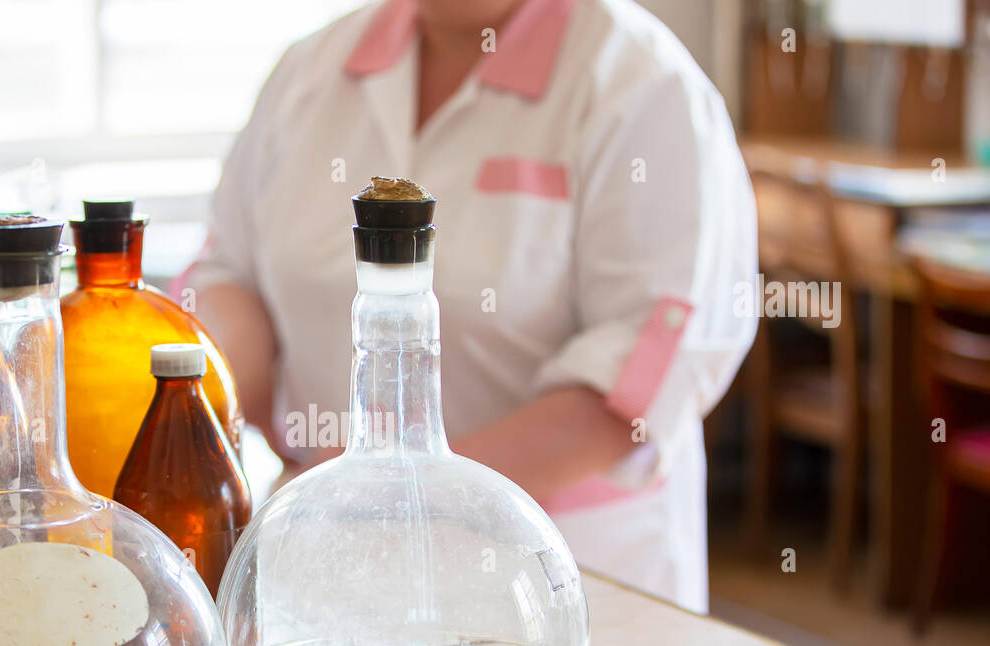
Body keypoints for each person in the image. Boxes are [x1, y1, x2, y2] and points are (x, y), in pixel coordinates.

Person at [181, 0, 757, 613]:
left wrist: (381, 497)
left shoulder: (641, 83)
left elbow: (636, 379)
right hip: (330, 571)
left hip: (556, 584)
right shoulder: (311, 68)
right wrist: (228, 429)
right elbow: (228, 275)